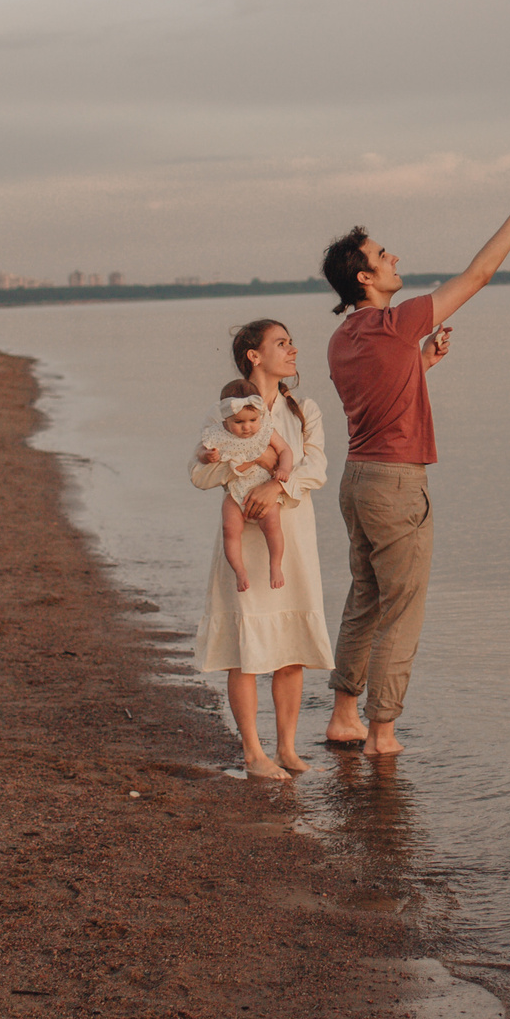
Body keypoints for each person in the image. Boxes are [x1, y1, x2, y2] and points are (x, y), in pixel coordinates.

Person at [320, 160, 510, 755]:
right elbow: (479, 274)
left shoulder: (342, 338)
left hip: (357, 479)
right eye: (383, 255)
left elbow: (374, 401)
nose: (394, 257)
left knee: (366, 598)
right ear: (364, 278)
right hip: (396, 485)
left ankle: (344, 716)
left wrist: (419, 364)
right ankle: (382, 733)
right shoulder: (397, 323)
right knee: (401, 608)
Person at [190, 320, 334, 780]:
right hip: (243, 541)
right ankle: (253, 753)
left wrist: (277, 483)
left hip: (292, 534)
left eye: (291, 342)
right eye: (281, 343)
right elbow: (198, 475)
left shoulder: (303, 408)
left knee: (291, 647)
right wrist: (236, 464)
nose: (293, 350)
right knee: (246, 646)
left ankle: (287, 749)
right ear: (254, 355)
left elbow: (317, 468)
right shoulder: (226, 412)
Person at [201, 380, 290, 591]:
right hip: (236, 491)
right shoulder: (218, 434)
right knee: (229, 529)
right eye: (239, 422)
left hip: (263, 486)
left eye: (252, 420)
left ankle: (275, 565)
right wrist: (207, 456)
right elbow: (199, 456)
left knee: (272, 525)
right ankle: (239, 571)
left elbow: (285, 450)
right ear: (226, 419)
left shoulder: (265, 429)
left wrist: (284, 470)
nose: (247, 427)